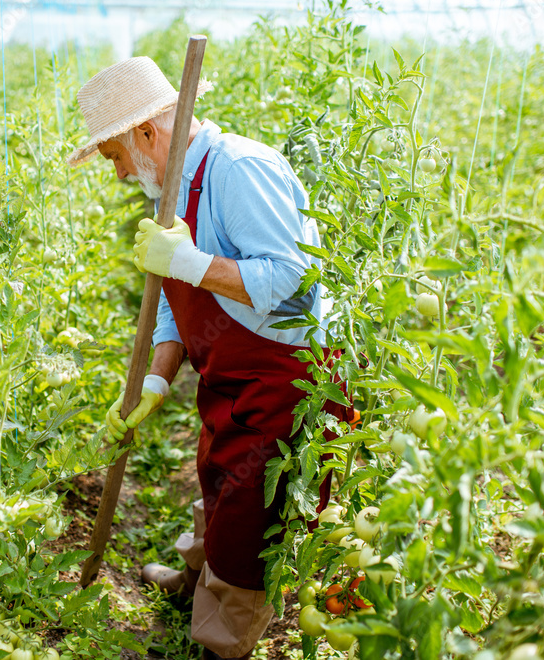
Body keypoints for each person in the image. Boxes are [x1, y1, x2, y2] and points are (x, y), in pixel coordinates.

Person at [67, 56, 354, 660]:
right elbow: (175, 301)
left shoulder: (240, 170)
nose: (118, 174)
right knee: (219, 479)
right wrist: (155, 380)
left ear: (147, 133)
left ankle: (221, 640)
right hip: (229, 376)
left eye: (115, 155)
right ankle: (198, 582)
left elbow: (293, 276)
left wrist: (192, 263)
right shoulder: (170, 194)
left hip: (285, 377)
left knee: (252, 509)